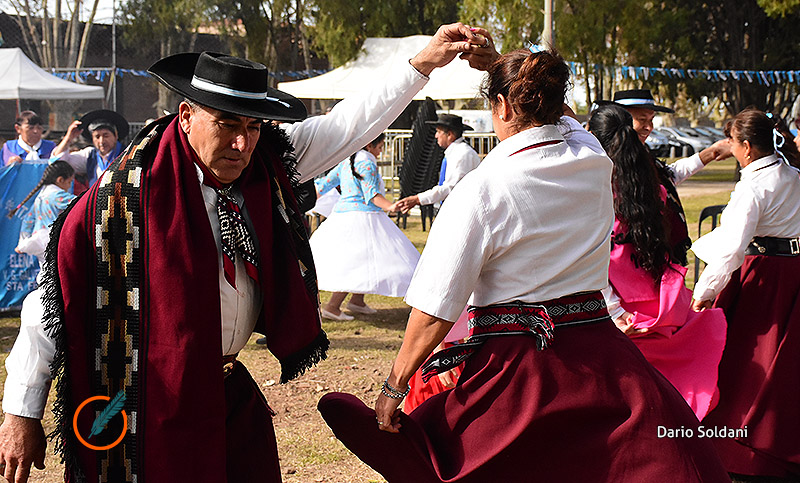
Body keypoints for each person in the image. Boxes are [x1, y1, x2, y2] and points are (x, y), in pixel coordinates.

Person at [0, 23, 498, 483]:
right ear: (188, 114)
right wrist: (21, 411)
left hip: (229, 393)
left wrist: (423, 63)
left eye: (254, 126)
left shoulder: (267, 164)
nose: (242, 142)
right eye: (227, 124)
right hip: (147, 403)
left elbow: (350, 123)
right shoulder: (120, 201)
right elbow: (51, 304)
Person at [318, 48, 730, 482]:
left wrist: (393, 387)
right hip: (600, 350)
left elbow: (434, 307)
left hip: (519, 366)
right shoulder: (592, 159)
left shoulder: (483, 190)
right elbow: (567, 119)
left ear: (501, 106)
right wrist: (502, 64)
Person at [587, 104, 727, 421]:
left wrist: (614, 309)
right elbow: (672, 177)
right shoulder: (651, 185)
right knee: (665, 384)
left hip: (621, 307)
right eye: (644, 119)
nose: (649, 125)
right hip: (658, 302)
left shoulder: (595, 190)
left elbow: (593, 258)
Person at [691, 108, 800, 480]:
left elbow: (732, 249)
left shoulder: (753, 186)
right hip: (795, 274)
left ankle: (742, 445)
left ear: (748, 148)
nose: (735, 153)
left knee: (746, 363)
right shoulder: (794, 175)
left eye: (736, 146)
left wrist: (705, 290)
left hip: (764, 276)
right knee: (785, 363)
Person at [596, 89, 730, 265]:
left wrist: (709, 154)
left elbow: (666, 177)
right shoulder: (601, 161)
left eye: (651, 120)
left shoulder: (643, 156)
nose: (649, 128)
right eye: (642, 120)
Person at [311, 133, 420, 320]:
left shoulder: (346, 161)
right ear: (370, 144)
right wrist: (391, 206)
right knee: (358, 263)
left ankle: (357, 301)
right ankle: (333, 306)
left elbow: (323, 186)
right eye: (380, 146)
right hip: (365, 216)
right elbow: (371, 194)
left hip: (342, 215)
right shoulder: (366, 162)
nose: (381, 150)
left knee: (363, 260)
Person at [395, 114, 480, 214]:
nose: (436, 135)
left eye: (439, 132)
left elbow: (450, 188)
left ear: (450, 135)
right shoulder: (455, 153)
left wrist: (418, 199)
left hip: (463, 210)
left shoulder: (463, 154)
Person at [7, 161, 76, 262]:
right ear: (60, 180)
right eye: (69, 182)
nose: (69, 186)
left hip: (39, 238)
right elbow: (81, 204)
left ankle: (25, 245)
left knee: (45, 270)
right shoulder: (56, 196)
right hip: (54, 239)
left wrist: (22, 240)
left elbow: (28, 220)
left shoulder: (40, 197)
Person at [50, 109, 129, 195]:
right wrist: (68, 138)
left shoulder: (128, 154)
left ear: (116, 135)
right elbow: (57, 163)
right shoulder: (90, 155)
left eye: (106, 135)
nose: (102, 141)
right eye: (97, 137)